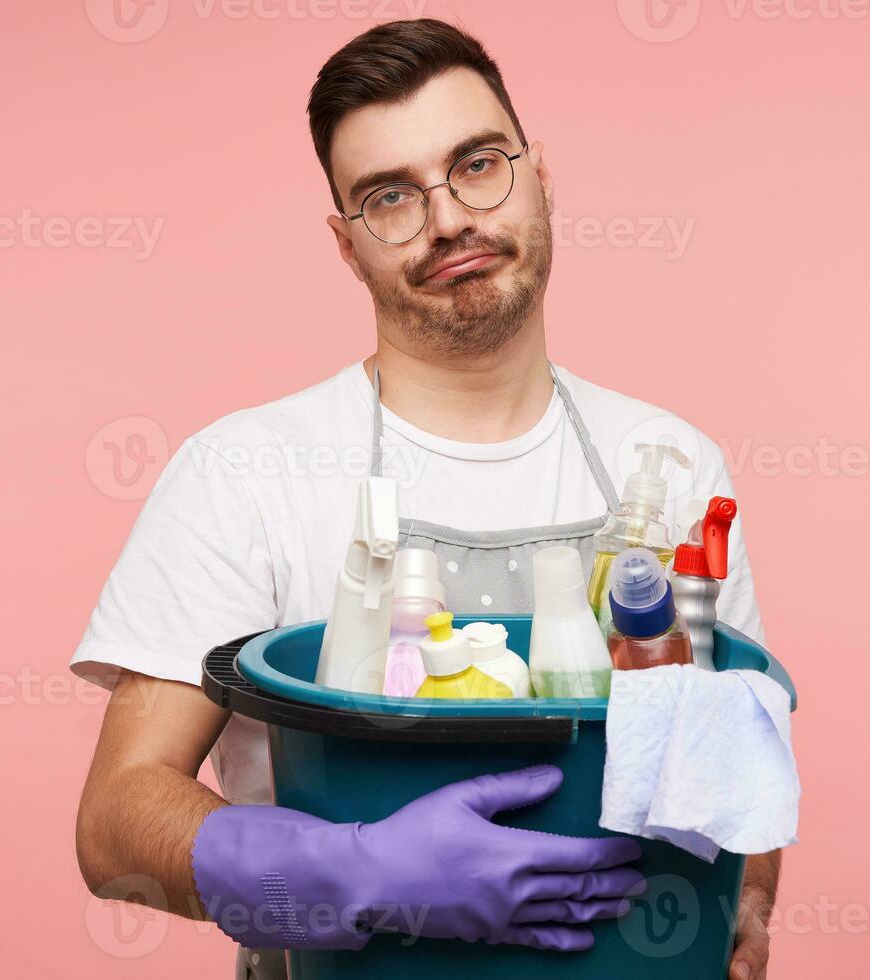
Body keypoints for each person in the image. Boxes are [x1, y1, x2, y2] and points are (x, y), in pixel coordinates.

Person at [72, 18, 778, 980]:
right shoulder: (242, 471)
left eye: (479, 164)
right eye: (390, 197)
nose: (448, 221)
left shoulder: (672, 462)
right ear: (346, 245)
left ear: (540, 178)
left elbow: (738, 754)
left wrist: (743, 912)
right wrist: (354, 875)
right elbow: (116, 826)